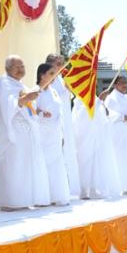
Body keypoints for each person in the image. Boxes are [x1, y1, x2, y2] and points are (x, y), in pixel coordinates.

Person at [0, 56, 50, 210]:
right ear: (8, 68)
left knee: (23, 168)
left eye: (22, 66)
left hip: (25, 134)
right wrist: (26, 98)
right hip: (10, 134)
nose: (20, 69)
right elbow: (8, 105)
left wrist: (37, 108)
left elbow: (29, 107)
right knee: (12, 167)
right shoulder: (2, 83)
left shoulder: (20, 85)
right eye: (17, 66)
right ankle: (9, 202)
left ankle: (22, 200)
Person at [72, 94, 122, 199]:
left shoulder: (94, 97)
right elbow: (82, 116)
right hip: (85, 139)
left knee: (96, 165)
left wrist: (101, 105)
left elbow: (102, 117)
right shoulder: (80, 98)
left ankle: (94, 188)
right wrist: (98, 101)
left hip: (97, 138)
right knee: (86, 164)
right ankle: (84, 190)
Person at [46, 53, 80, 198]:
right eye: (58, 63)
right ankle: (51, 191)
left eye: (62, 63)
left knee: (68, 155)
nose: (61, 66)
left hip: (65, 122)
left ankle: (69, 189)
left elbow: (69, 97)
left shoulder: (61, 79)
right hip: (52, 124)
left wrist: (68, 87)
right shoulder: (47, 79)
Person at [35, 63, 70, 206]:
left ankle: (56, 195)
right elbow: (30, 110)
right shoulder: (36, 91)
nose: (54, 76)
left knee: (56, 164)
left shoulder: (54, 92)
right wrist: (42, 113)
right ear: (42, 75)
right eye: (51, 73)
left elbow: (60, 113)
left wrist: (61, 134)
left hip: (55, 134)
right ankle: (43, 197)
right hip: (42, 133)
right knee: (43, 164)